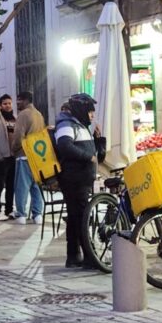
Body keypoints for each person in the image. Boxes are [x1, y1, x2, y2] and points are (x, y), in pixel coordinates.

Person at [54, 94, 99, 268]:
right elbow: (65, 146)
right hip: (74, 179)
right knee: (81, 218)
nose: (92, 115)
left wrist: (98, 139)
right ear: (81, 110)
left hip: (81, 179)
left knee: (75, 218)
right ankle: (89, 257)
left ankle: (73, 256)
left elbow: (97, 154)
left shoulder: (80, 125)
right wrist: (87, 157)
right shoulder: (66, 124)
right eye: (90, 112)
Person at [10, 91, 45, 225]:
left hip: (23, 155)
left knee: (21, 186)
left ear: (25, 100)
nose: (17, 103)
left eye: (18, 100)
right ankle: (37, 215)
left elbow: (18, 135)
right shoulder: (39, 115)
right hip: (37, 156)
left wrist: (13, 149)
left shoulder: (23, 114)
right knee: (36, 186)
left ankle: (21, 214)